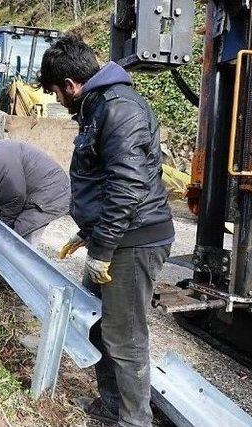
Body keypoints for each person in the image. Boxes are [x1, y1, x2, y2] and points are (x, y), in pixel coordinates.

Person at [39, 36, 174, 427]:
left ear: (70, 84)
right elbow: (105, 180)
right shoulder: (100, 106)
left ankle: (134, 421)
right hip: (114, 235)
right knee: (97, 323)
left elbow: (128, 185)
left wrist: (103, 247)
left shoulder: (119, 108)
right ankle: (112, 406)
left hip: (134, 240)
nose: (60, 104)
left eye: (56, 93)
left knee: (125, 337)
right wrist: (90, 233)